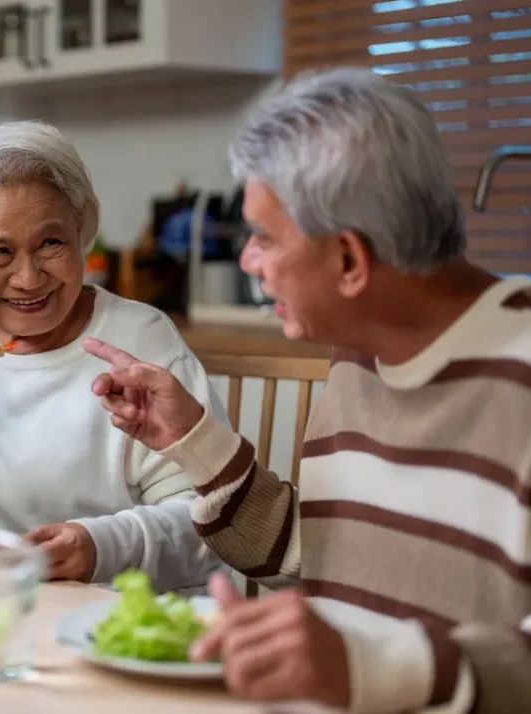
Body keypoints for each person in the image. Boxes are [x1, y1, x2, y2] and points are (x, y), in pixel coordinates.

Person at [87, 68, 530, 713]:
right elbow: (319, 553)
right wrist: (193, 441)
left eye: (264, 237)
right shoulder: (359, 353)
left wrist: (372, 665)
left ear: (349, 260)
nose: (247, 261)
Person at [0, 120, 225, 590]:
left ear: (80, 228)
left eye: (50, 243)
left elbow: (209, 527)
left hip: (121, 626)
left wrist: (99, 547)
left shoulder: (139, 342)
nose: (29, 278)